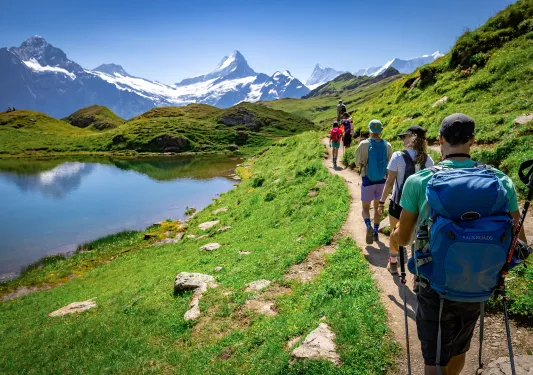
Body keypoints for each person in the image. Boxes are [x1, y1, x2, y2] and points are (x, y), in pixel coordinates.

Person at [392, 114, 526, 375]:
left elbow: (405, 239)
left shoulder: (420, 181)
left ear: (440, 140)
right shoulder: (500, 181)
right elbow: (519, 240)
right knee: (459, 350)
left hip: (433, 285)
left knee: (434, 361)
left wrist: (395, 233)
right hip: (479, 281)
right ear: (473, 140)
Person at [378, 125, 434, 275]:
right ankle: (416, 272)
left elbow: (390, 182)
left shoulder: (398, 156)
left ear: (412, 137)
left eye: (404, 136)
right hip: (420, 205)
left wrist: (382, 201)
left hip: (398, 203)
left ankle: (394, 263)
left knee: (395, 233)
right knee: (417, 236)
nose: (403, 140)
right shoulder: (428, 159)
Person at [355, 119, 393, 244]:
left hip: (367, 180)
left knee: (366, 208)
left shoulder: (363, 144)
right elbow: (389, 164)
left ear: (369, 130)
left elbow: (358, 162)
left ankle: (368, 226)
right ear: (381, 130)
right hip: (382, 181)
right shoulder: (387, 145)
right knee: (378, 207)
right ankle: (376, 231)